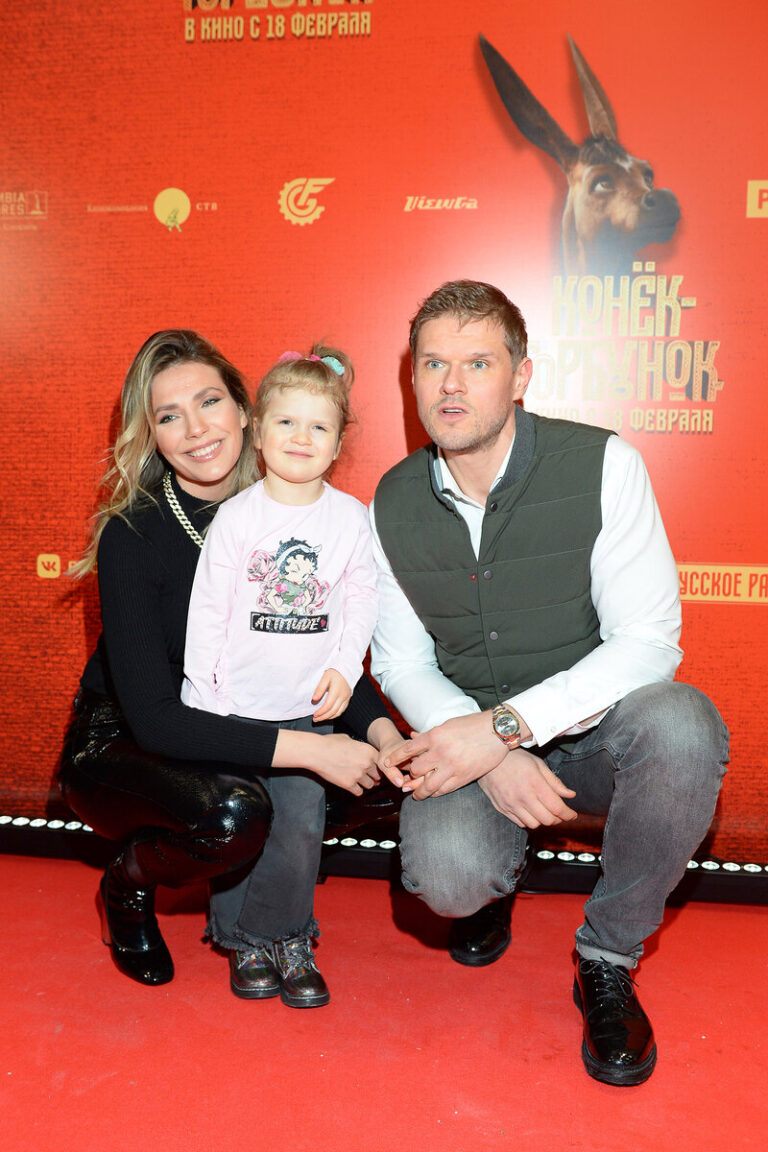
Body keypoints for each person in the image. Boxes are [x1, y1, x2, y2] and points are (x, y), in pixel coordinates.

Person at [370, 281, 729, 1086]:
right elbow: (400, 662)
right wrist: (493, 755)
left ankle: (608, 957)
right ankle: (497, 877)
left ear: (521, 376)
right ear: (411, 377)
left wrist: (508, 728)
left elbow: (648, 642)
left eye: (477, 363)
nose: (451, 384)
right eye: (433, 363)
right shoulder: (389, 502)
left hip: (595, 738)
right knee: (448, 880)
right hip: (473, 740)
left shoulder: (603, 464)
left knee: (682, 725)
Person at [59, 329, 402, 993]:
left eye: (209, 401)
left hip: (261, 708)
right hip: (131, 738)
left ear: (247, 411)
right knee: (236, 813)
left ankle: (279, 887)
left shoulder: (295, 505)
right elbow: (158, 719)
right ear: (151, 435)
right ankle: (130, 880)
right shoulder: (133, 533)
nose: (195, 429)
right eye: (169, 416)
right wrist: (313, 751)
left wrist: (383, 733)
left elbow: (315, 642)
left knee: (385, 776)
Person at [181, 346, 379, 1008]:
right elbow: (208, 612)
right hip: (234, 711)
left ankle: (290, 937)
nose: (301, 437)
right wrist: (203, 701)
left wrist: (344, 668)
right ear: (259, 432)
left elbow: (362, 602)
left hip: (306, 712)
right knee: (243, 830)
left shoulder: (350, 519)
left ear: (338, 443)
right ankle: (241, 940)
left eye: (319, 426)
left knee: (298, 831)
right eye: (287, 422)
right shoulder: (238, 518)